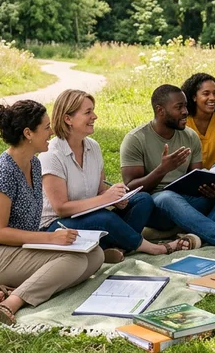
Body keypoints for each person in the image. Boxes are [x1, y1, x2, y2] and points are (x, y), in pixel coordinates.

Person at [0, 100, 104, 326]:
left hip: (16, 249)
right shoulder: (3, 172)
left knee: (96, 255)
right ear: (28, 133)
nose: (52, 132)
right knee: (74, 262)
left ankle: (19, 288)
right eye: (47, 127)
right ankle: (9, 303)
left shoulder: (34, 164)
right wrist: (50, 238)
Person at [39, 90, 196, 262]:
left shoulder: (93, 147)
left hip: (90, 217)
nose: (95, 116)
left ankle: (115, 248)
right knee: (104, 218)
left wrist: (115, 198)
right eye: (88, 112)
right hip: (57, 227)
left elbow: (100, 192)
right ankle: (155, 248)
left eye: (93, 110)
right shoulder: (52, 155)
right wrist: (105, 199)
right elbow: (61, 208)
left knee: (143, 200)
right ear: (68, 119)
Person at [120, 85, 215, 253]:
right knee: (167, 197)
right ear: (160, 110)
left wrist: (210, 188)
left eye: (185, 106)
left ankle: (197, 237)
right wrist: (162, 169)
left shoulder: (190, 136)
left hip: (188, 201)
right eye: (179, 107)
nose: (185, 111)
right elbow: (131, 188)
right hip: (158, 208)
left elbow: (196, 177)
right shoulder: (135, 139)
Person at [182, 73, 215, 170]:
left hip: (214, 177)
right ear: (194, 97)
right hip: (188, 177)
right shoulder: (183, 120)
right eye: (206, 94)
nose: (213, 98)